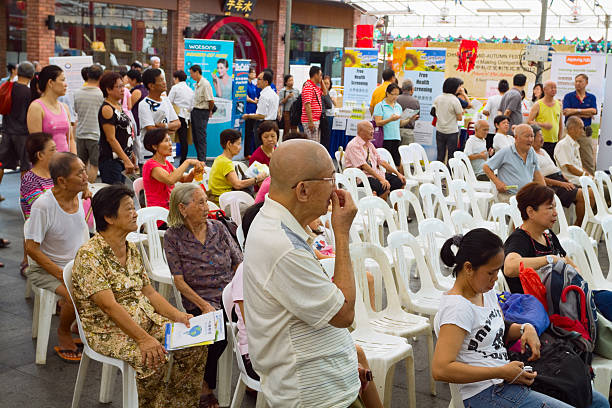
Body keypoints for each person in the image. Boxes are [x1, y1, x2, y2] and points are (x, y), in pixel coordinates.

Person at [243, 139, 364, 407]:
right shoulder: (283, 246)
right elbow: (343, 314)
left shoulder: (275, 225)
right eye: (330, 179)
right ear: (303, 190)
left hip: (324, 382)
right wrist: (341, 234)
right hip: (314, 393)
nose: (336, 188)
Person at [433, 228, 606, 408]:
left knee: (597, 402)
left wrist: (524, 328)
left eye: (497, 272)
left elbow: (495, 331)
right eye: (491, 273)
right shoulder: (457, 309)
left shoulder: (485, 291)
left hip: (507, 376)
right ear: (468, 268)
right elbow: (441, 369)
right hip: (485, 392)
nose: (495, 279)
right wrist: (500, 371)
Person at [72, 184, 209, 407]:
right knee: (152, 358)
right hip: (108, 329)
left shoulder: (131, 248)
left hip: (144, 319)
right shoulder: (90, 256)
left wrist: (179, 316)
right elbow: (110, 307)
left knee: (194, 343)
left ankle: (178, 404)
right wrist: (143, 339)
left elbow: (150, 292)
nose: (136, 213)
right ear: (109, 217)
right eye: (128, 208)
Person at [164, 183, 242, 408]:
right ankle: (204, 385)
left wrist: (239, 293)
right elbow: (179, 281)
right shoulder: (173, 237)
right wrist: (204, 305)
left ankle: (253, 377)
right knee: (219, 336)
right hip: (200, 297)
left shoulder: (218, 227)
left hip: (230, 292)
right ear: (182, 208)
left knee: (259, 323)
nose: (206, 206)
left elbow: (238, 263)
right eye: (199, 202)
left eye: (205, 200)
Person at [24, 152, 89, 362]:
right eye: (80, 174)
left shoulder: (77, 193)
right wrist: (61, 274)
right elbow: (31, 249)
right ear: (61, 181)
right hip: (46, 269)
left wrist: (85, 188)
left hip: (76, 266)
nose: (86, 176)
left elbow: (84, 188)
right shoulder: (43, 206)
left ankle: (75, 321)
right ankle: (63, 331)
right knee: (75, 294)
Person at [503, 182, 574, 294]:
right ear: (531, 212)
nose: (555, 213)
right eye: (550, 208)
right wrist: (549, 259)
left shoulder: (548, 234)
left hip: (561, 298)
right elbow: (509, 267)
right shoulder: (519, 239)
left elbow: (571, 265)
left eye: (555, 207)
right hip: (535, 305)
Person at [531, 124, 589, 226]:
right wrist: (561, 184)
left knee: (589, 193)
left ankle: (580, 226)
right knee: (584, 195)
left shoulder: (543, 151)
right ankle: (578, 226)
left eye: (542, 136)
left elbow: (554, 167)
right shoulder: (531, 154)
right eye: (540, 136)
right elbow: (538, 177)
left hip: (559, 179)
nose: (542, 139)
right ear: (532, 138)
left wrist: (564, 179)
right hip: (551, 184)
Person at [483, 124, 545, 203]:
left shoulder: (531, 151)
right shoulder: (506, 152)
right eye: (527, 136)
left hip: (527, 195)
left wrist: (545, 192)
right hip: (509, 195)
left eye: (532, 136)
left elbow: (537, 173)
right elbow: (486, 167)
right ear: (516, 138)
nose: (530, 139)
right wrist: (498, 183)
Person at [344, 120, 406, 200]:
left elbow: (381, 161)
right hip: (362, 178)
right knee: (383, 187)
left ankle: (397, 211)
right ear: (361, 131)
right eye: (370, 129)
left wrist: (398, 173)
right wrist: (381, 179)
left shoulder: (369, 144)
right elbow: (364, 166)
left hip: (375, 175)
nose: (373, 131)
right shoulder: (353, 145)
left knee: (399, 182)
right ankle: (380, 211)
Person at [0, 61, 34, 201]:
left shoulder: (8, 86)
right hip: (23, 134)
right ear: (31, 75)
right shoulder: (28, 92)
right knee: (25, 165)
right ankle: (25, 197)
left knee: (1, 162)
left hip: (7, 130)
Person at [142, 128, 199, 209]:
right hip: (159, 211)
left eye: (170, 140)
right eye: (166, 141)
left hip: (171, 207)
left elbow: (185, 180)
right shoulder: (150, 165)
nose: (170, 144)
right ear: (154, 146)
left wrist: (194, 172)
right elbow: (170, 180)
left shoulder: (167, 163)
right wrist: (187, 162)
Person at [207, 129, 266, 205]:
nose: (240, 147)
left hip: (217, 199)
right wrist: (257, 179)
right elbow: (237, 184)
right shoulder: (226, 163)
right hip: (223, 202)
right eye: (238, 144)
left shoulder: (219, 158)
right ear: (229, 144)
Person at [27, 65, 75, 154]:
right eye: (62, 80)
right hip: (46, 164)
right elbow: (36, 143)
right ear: (50, 82)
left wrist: (74, 160)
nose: (66, 84)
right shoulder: (36, 107)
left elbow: (71, 139)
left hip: (65, 163)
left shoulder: (64, 108)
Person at [98, 72, 136, 184]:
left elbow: (124, 133)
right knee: (114, 195)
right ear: (108, 90)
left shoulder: (118, 106)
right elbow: (111, 138)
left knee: (120, 194)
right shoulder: (107, 109)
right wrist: (125, 159)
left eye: (123, 86)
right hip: (112, 161)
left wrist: (130, 154)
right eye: (119, 87)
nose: (123, 90)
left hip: (122, 159)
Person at [139, 68, 180, 164]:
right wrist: (169, 129)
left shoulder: (166, 100)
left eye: (164, 80)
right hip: (150, 154)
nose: (164, 83)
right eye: (161, 80)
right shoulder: (144, 104)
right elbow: (151, 129)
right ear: (151, 86)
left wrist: (164, 126)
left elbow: (178, 123)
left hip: (167, 154)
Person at [73, 64, 104, 182]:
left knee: (82, 165)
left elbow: (76, 110)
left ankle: (82, 189)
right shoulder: (101, 94)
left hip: (81, 133)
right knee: (94, 165)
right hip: (96, 134)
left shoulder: (77, 92)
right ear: (100, 77)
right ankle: (90, 188)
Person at [562, 73, 597, 176]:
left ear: (586, 83)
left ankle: (592, 182)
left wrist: (575, 111)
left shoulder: (591, 97)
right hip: (571, 131)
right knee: (569, 156)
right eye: (576, 81)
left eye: (580, 81)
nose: (577, 83)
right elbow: (566, 112)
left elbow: (594, 111)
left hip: (585, 131)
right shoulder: (569, 96)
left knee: (588, 158)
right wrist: (585, 113)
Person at [373, 83, 410, 169]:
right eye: (393, 94)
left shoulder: (398, 107)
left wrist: (410, 119)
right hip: (385, 138)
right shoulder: (380, 106)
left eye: (397, 94)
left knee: (396, 162)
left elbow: (399, 123)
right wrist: (390, 119)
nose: (395, 97)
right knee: (385, 163)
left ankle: (395, 180)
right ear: (387, 93)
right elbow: (378, 122)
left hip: (396, 137)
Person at [20, 133, 56, 219]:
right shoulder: (29, 180)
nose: (57, 153)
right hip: (41, 229)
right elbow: (42, 208)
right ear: (40, 155)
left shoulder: (56, 174)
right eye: (52, 150)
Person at [242, 70, 279, 151]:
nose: (257, 81)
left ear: (266, 82)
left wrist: (248, 115)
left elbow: (261, 115)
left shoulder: (264, 95)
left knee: (262, 149)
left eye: (259, 79)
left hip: (264, 125)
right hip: (273, 123)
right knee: (271, 149)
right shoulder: (274, 94)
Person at [528, 81, 562, 160]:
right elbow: (529, 121)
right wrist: (543, 125)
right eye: (551, 88)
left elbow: (560, 124)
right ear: (544, 90)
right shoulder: (538, 104)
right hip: (541, 141)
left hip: (554, 141)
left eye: (555, 88)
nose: (554, 90)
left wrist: (559, 141)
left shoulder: (559, 104)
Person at [432, 77, 464, 163]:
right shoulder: (454, 100)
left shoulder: (438, 98)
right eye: (459, 86)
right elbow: (460, 117)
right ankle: (449, 174)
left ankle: (438, 173)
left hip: (439, 130)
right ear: (454, 87)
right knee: (451, 157)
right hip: (452, 132)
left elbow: (433, 112)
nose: (460, 88)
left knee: (440, 155)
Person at [554, 116, 592, 185]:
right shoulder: (563, 145)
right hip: (573, 181)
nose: (582, 131)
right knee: (604, 189)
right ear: (571, 129)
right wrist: (586, 175)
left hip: (580, 179)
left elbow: (579, 166)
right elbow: (570, 168)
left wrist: (590, 176)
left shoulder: (575, 144)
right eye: (580, 128)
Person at [168, 70, 194, 164]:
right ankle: (183, 161)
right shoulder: (190, 90)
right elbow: (191, 106)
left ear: (177, 78)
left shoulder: (175, 88)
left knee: (170, 137)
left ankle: (169, 159)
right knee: (184, 139)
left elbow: (169, 101)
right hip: (186, 117)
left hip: (175, 115)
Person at [190, 64, 214, 161]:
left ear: (197, 72)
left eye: (192, 73)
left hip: (202, 112)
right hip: (195, 111)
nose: (191, 75)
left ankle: (202, 160)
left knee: (200, 137)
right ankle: (199, 158)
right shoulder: (197, 84)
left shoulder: (205, 84)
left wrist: (209, 111)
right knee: (195, 136)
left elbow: (211, 101)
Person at [126, 69, 148, 165]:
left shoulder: (137, 91)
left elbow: (129, 106)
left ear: (134, 80)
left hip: (136, 119)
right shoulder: (143, 89)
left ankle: (139, 162)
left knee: (137, 144)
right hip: (140, 119)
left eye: (129, 79)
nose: (128, 81)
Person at [482, 79, 509, 149]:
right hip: (504, 130)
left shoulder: (492, 98)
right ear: (508, 89)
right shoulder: (509, 99)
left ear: (498, 88)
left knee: (490, 150)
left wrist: (489, 113)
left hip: (491, 128)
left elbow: (484, 111)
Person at [300, 66, 324, 143]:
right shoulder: (308, 87)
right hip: (310, 121)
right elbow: (307, 105)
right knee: (312, 145)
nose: (321, 77)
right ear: (315, 75)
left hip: (315, 120)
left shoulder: (315, 87)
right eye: (320, 75)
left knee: (316, 143)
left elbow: (325, 93)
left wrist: (321, 81)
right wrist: (311, 121)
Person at [396, 79, 420, 146]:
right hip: (408, 132)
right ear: (411, 89)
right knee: (407, 154)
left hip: (396, 131)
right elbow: (417, 116)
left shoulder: (396, 99)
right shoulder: (415, 101)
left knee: (395, 154)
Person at [245, 68, 259, 158]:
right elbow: (245, 97)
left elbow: (255, 97)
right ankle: (246, 153)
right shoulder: (246, 84)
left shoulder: (253, 85)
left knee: (252, 132)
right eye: (253, 73)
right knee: (248, 132)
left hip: (254, 111)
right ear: (248, 74)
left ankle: (251, 151)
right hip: (248, 111)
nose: (254, 74)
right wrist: (254, 102)